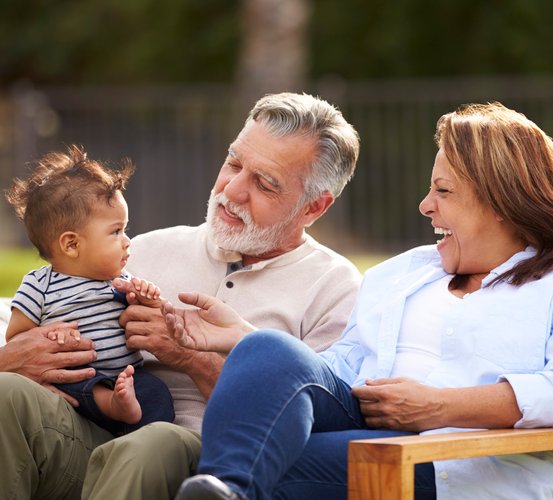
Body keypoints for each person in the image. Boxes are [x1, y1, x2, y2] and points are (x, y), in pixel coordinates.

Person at [164, 102, 553, 500]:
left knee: (279, 462)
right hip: (367, 420)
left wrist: (437, 407)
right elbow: (348, 364)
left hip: (467, 464)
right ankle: (228, 490)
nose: (425, 205)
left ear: (502, 202)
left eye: (443, 192)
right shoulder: (405, 272)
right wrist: (248, 341)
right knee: (266, 348)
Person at [0, 91, 362, 500]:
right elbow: (37, 310)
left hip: (202, 463)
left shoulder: (335, 289)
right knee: (6, 394)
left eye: (264, 183)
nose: (233, 190)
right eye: (234, 163)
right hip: (93, 432)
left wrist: (188, 358)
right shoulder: (141, 249)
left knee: (152, 444)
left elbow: (315, 425)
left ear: (314, 207)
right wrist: (12, 359)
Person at [4, 145, 174, 436]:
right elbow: (17, 339)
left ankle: (139, 437)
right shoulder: (39, 286)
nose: (127, 241)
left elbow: (143, 313)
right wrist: (52, 335)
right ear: (71, 244)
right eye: (116, 231)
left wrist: (145, 296)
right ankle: (113, 406)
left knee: (156, 392)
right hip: (78, 382)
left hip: (127, 376)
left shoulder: (118, 280)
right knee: (74, 386)